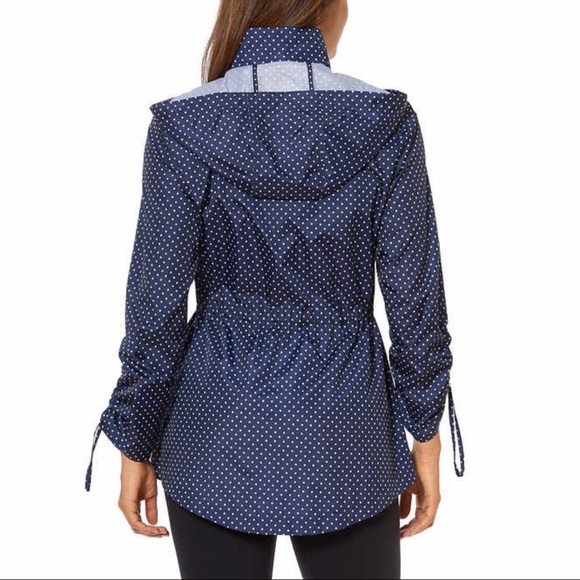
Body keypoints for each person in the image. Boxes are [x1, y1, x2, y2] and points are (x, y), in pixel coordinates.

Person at [84, 0, 465, 578]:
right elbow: (416, 300)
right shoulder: (385, 122)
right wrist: (426, 427)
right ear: (322, 7)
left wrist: (135, 435)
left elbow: (155, 305)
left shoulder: (184, 126)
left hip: (213, 428)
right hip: (347, 431)